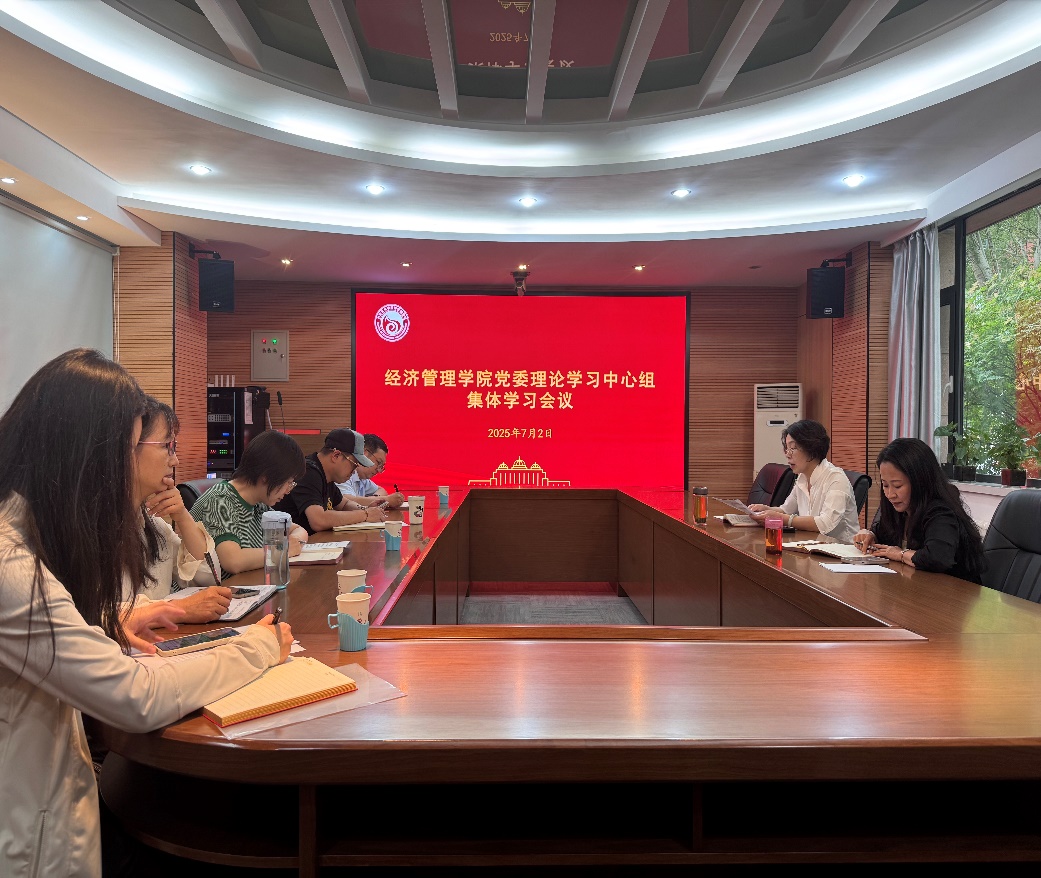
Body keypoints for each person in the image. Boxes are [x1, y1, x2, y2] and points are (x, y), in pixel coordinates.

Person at [0, 348, 293, 878]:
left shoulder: (35, 536)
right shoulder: (11, 566)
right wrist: (257, 647)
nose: (167, 463)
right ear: (92, 454)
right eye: (155, 446)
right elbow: (136, 697)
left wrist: (110, 621)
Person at [125, 397, 233, 622]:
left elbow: (207, 578)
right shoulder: (91, 529)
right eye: (167, 446)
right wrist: (178, 609)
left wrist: (183, 517)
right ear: (128, 447)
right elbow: (97, 616)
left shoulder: (154, 525)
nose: (175, 461)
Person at [853, 437, 985, 583]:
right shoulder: (899, 507)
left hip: (953, 591)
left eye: (897, 486)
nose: (890, 494)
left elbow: (937, 558)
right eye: (885, 485)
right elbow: (883, 536)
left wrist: (900, 554)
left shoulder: (941, 511)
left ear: (920, 481)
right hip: (914, 586)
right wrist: (869, 534)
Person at [190, 429, 309, 579]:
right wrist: (282, 550)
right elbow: (233, 561)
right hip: (218, 590)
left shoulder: (259, 504)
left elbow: (298, 530)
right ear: (266, 477)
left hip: (249, 584)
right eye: (288, 482)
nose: (288, 490)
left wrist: (293, 543)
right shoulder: (220, 500)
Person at [749, 419, 860, 544]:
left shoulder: (836, 479)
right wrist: (765, 510)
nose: (787, 455)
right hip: (811, 545)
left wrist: (782, 518)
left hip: (840, 550)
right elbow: (786, 510)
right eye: (786, 449)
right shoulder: (802, 477)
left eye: (793, 448)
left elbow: (825, 523)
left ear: (812, 449)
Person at [275, 428, 388, 534]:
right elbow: (318, 521)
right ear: (336, 455)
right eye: (354, 465)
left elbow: (344, 504)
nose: (354, 471)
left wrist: (367, 509)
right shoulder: (308, 472)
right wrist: (365, 514)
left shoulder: (327, 475)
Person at [336, 433, 405, 508]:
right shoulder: (343, 472)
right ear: (364, 453)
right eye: (378, 462)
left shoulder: (362, 478)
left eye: (381, 466)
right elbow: (345, 501)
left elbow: (382, 490)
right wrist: (386, 500)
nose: (378, 470)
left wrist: (375, 498)